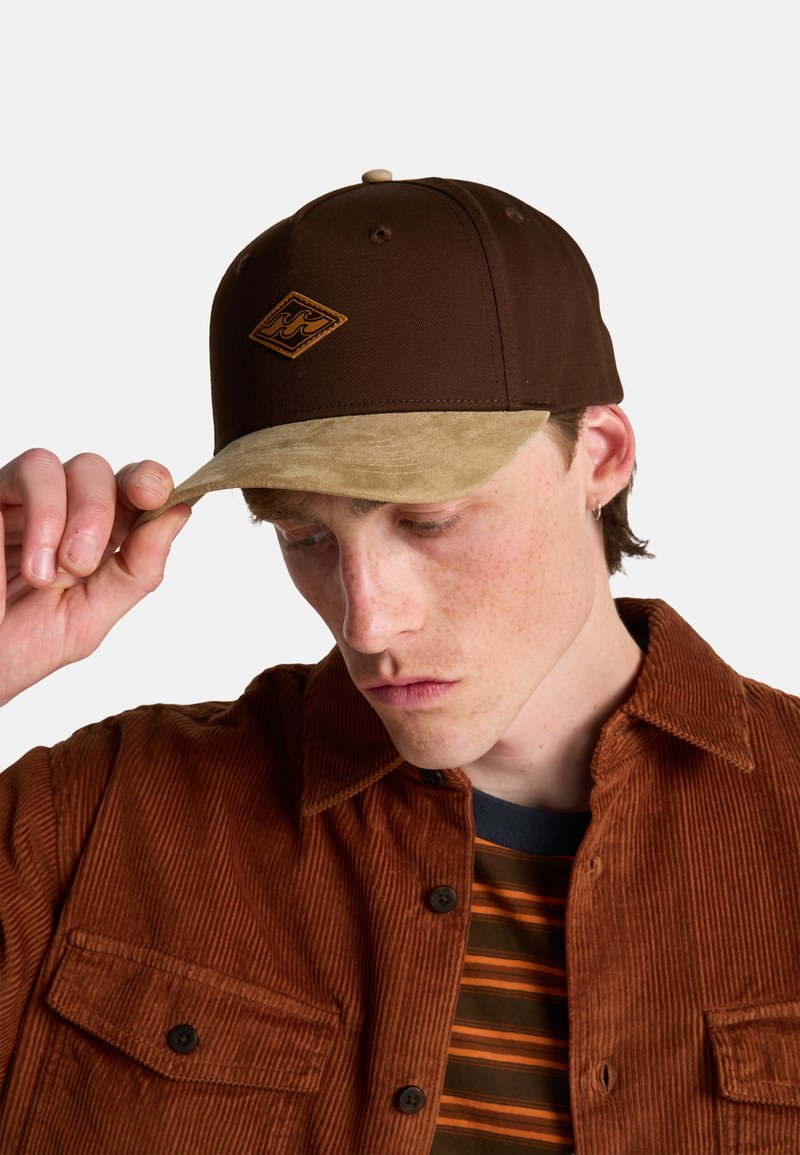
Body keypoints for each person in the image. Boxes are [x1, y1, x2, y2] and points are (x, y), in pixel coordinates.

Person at [1, 171, 799, 1155]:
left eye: (428, 521)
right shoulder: (92, 821)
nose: (365, 616)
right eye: (304, 536)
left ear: (598, 454)